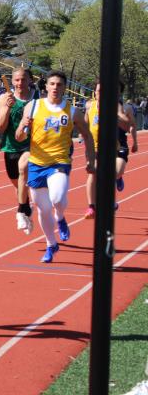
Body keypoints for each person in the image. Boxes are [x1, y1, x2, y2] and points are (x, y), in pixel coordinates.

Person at [15, 70, 95, 263]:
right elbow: (19, 137)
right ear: (46, 86)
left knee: (57, 198)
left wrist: (90, 160)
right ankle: (51, 244)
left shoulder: (72, 111)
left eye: (59, 84)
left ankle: (60, 216)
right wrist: (23, 125)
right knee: (43, 210)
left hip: (60, 162)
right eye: (52, 84)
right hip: (36, 164)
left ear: (65, 88)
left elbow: (88, 136)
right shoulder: (33, 106)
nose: (55, 88)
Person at [84, 81, 138, 218]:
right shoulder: (90, 105)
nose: (100, 93)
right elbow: (85, 124)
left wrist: (135, 142)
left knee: (115, 173)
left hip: (118, 145)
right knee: (93, 174)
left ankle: (117, 179)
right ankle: (92, 207)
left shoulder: (121, 107)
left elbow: (130, 125)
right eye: (98, 91)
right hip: (97, 147)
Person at [0, 67, 35, 235]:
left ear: (30, 80)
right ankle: (26, 207)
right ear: (12, 81)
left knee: (23, 169)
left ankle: (21, 210)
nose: (20, 83)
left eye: (24, 79)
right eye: (17, 80)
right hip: (10, 146)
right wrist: (7, 108)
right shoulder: (4, 98)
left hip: (32, 145)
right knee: (18, 183)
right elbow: (0, 127)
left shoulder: (37, 99)